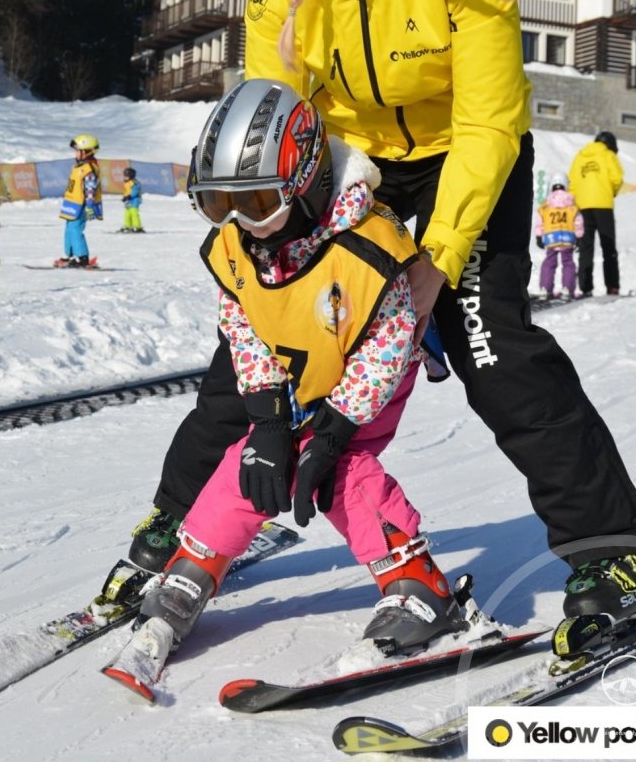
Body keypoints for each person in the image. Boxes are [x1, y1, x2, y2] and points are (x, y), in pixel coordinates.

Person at [130, 0, 636, 656]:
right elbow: (275, 108)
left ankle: (619, 557)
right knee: (267, 328)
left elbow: (491, 123)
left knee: (493, 349)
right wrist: (280, 238)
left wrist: (436, 262)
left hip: (466, 156)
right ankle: (176, 524)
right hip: (349, 161)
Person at [134, 77, 466, 658]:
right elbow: (244, 326)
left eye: (259, 203)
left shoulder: (367, 249)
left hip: (368, 380)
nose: (243, 221)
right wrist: (266, 419)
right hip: (298, 369)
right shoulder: (239, 246)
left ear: (307, 181)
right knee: (255, 461)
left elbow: (389, 346)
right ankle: (195, 565)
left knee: (335, 471)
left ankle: (417, 582)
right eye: (220, 204)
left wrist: (335, 429)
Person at [568, 132, 624, 297]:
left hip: (582, 206)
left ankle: (585, 287)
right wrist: (610, 192)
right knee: (608, 246)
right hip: (603, 205)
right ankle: (612, 286)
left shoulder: (580, 157)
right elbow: (617, 178)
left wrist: (577, 201)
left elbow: (572, 183)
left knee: (585, 247)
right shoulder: (608, 155)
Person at [534, 173, 584, 300]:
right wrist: (579, 237)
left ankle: (545, 288)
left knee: (549, 263)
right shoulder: (571, 204)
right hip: (567, 237)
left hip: (551, 238)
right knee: (568, 263)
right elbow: (578, 221)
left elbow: (540, 221)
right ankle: (567, 288)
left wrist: (539, 236)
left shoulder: (547, 205)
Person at [56, 134, 103, 267]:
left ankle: (82, 257)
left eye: (78, 151)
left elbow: (90, 189)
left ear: (88, 152)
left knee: (76, 230)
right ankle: (70, 255)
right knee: (69, 229)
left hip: (81, 205)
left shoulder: (88, 170)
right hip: (72, 205)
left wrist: (89, 206)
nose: (75, 154)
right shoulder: (79, 167)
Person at [121, 166, 144, 233]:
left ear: (131, 176)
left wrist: (129, 196)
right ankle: (127, 226)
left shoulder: (134, 182)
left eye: (126, 176)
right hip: (128, 201)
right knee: (127, 213)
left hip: (135, 200)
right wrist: (124, 197)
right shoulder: (126, 182)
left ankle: (137, 227)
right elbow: (126, 191)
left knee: (134, 213)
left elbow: (135, 191)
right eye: (124, 176)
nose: (125, 177)